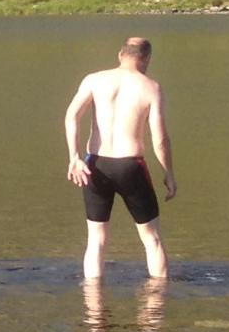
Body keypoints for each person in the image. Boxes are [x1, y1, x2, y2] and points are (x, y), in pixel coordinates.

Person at [63, 36, 175, 281]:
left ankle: (93, 307)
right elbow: (160, 138)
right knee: (151, 238)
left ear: (120, 55)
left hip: (95, 164)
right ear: (146, 59)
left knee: (96, 239)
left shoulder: (94, 80)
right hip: (130, 165)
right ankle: (156, 307)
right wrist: (168, 174)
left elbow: (71, 117)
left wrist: (74, 157)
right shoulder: (151, 87)